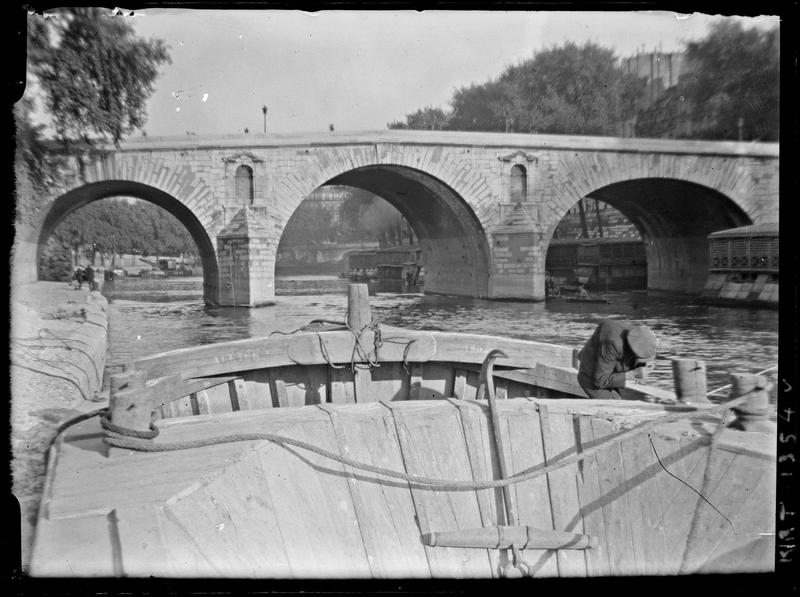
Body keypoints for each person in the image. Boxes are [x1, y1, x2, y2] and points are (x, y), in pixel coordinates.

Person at [576, 319, 658, 400]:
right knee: (610, 406)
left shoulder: (640, 335)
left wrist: (645, 368)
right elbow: (600, 381)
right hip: (591, 375)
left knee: (618, 398)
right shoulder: (612, 345)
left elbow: (646, 356)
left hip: (610, 367)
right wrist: (633, 374)